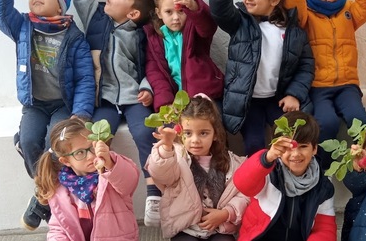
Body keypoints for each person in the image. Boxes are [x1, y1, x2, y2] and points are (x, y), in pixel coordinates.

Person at [56, 0, 162, 226]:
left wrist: (146, 88)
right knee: (96, 136)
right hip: (103, 99)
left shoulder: (142, 35)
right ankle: (88, 191)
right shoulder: (95, 18)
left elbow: (152, 66)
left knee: (144, 132)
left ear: (133, 14)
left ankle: (154, 191)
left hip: (132, 98)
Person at [0, 0, 95, 231]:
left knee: (54, 145)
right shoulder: (24, 27)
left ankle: (42, 200)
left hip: (62, 104)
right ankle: (45, 189)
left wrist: (82, 113)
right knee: (29, 140)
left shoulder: (74, 38)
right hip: (34, 103)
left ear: (60, 4)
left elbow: (85, 79)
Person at [210, 0, 315, 156]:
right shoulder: (240, 23)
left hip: (278, 99)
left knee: (290, 140)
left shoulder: (292, 31)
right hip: (248, 102)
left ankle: (283, 181)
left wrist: (294, 94)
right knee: (254, 144)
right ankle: (259, 184)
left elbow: (306, 65)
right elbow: (221, 11)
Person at [285, 0, 366, 170]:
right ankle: (321, 172)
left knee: (362, 122)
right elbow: (292, 3)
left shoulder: (347, 11)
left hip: (347, 85)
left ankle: (363, 170)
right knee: (326, 123)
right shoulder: (305, 15)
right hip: (318, 86)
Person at [146, 95, 249, 240]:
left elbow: (243, 195)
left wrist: (226, 213)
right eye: (188, 133)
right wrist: (166, 148)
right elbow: (161, 174)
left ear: (215, 134)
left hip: (219, 227)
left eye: (203, 133)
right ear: (180, 133)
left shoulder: (231, 163)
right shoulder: (175, 158)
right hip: (185, 228)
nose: (195, 140)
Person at [233, 111, 336, 241]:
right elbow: (242, 184)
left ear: (314, 148)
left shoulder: (323, 187)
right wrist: (267, 158)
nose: (295, 154)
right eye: (288, 147)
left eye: (303, 146)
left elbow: (324, 228)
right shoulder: (267, 172)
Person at [35, 118, 140, 240]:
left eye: (92, 147)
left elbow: (129, 182)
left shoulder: (110, 172)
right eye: (80, 153)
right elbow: (58, 227)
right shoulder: (61, 189)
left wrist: (111, 162)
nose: (90, 156)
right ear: (65, 161)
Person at [144, 0, 224, 111]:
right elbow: (155, 73)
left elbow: (208, 27)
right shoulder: (154, 39)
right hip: (176, 101)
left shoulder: (193, 27)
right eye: (169, 12)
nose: (176, 17)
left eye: (181, 11)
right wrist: (166, 102)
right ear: (158, 13)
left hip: (204, 96)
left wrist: (194, 6)